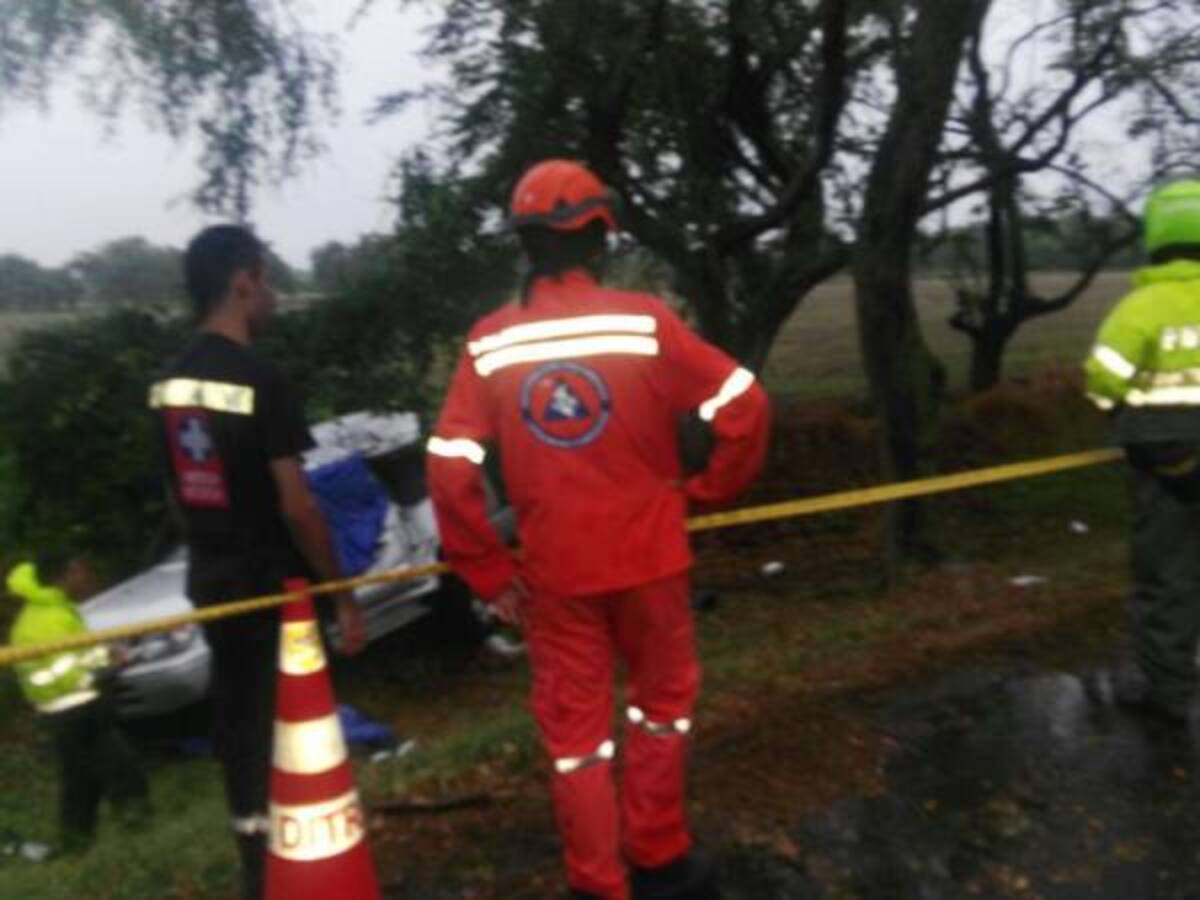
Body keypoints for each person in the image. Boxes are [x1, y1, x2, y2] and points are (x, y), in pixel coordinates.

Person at [426, 160, 770, 900]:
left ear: (526, 242)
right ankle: (660, 855)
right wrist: (706, 493)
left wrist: (487, 572)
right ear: (597, 235)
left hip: (555, 578)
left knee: (577, 743)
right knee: (660, 712)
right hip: (653, 561)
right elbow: (745, 403)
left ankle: (597, 883)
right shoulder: (644, 324)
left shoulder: (490, 344)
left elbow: (450, 470)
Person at [149, 224, 366, 898]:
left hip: (212, 583)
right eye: (266, 279)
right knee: (294, 729)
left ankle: (255, 865)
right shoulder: (259, 379)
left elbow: (176, 494)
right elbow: (298, 506)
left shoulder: (168, 385)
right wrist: (342, 596)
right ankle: (308, 865)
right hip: (276, 590)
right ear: (243, 283)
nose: (272, 294)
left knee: (239, 730)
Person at [1084, 177, 1200, 726]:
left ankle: (1170, 694)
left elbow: (1102, 378)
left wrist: (1119, 411)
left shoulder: (1141, 307)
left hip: (1167, 463)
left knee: (1166, 577)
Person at [7, 553, 149, 854]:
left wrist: (108, 655)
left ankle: (77, 843)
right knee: (123, 774)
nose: (87, 576)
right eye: (82, 570)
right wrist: (107, 668)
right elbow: (67, 673)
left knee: (81, 781)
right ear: (66, 575)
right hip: (75, 711)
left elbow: (78, 656)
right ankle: (136, 834)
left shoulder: (52, 612)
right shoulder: (48, 620)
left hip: (70, 711)